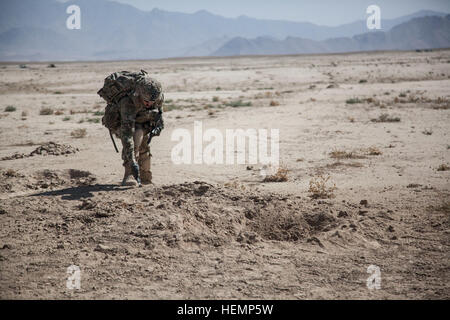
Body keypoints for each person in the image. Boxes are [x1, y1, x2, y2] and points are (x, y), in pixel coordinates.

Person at [98, 71, 164, 187]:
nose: (149, 104)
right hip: (120, 121)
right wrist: (132, 162)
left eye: (152, 102)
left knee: (143, 142)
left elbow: (159, 113)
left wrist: (159, 126)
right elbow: (127, 134)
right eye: (146, 101)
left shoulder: (156, 95)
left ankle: (145, 177)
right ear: (139, 95)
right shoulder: (127, 102)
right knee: (135, 139)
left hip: (140, 118)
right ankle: (130, 174)